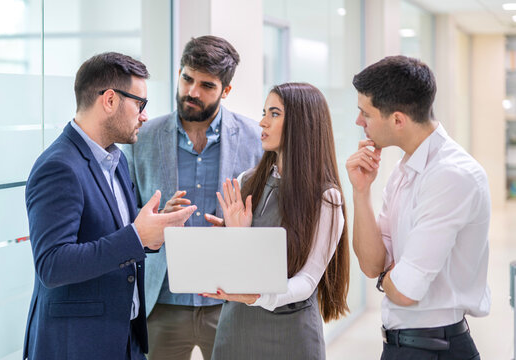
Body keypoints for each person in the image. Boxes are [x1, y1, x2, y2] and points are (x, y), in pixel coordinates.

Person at [22, 52, 197, 360]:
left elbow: (115, 235)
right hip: (77, 345)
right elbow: (52, 264)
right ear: (110, 100)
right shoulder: (59, 166)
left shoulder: (115, 161)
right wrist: (137, 237)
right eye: (140, 104)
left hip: (123, 339)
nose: (144, 115)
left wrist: (153, 227)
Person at [121, 35, 262, 360]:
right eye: (187, 78)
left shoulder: (255, 139)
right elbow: (121, 214)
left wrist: (242, 228)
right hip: (162, 303)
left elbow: (272, 214)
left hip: (230, 302)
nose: (192, 92)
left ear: (225, 91)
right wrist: (153, 220)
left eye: (207, 85)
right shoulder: (141, 138)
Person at [345, 55, 490, 359]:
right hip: (402, 345)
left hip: (435, 348)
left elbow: (406, 291)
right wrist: (361, 192)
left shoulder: (451, 175)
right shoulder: (403, 170)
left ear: (398, 119)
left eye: (365, 114)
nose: (359, 122)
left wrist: (388, 275)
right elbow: (372, 265)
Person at [202, 82, 350, 360]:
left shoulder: (326, 198)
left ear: (302, 123)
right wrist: (232, 238)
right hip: (238, 325)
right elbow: (244, 265)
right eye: (264, 113)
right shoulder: (248, 181)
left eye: (274, 114)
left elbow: (307, 280)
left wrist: (257, 296)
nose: (262, 122)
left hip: (292, 332)